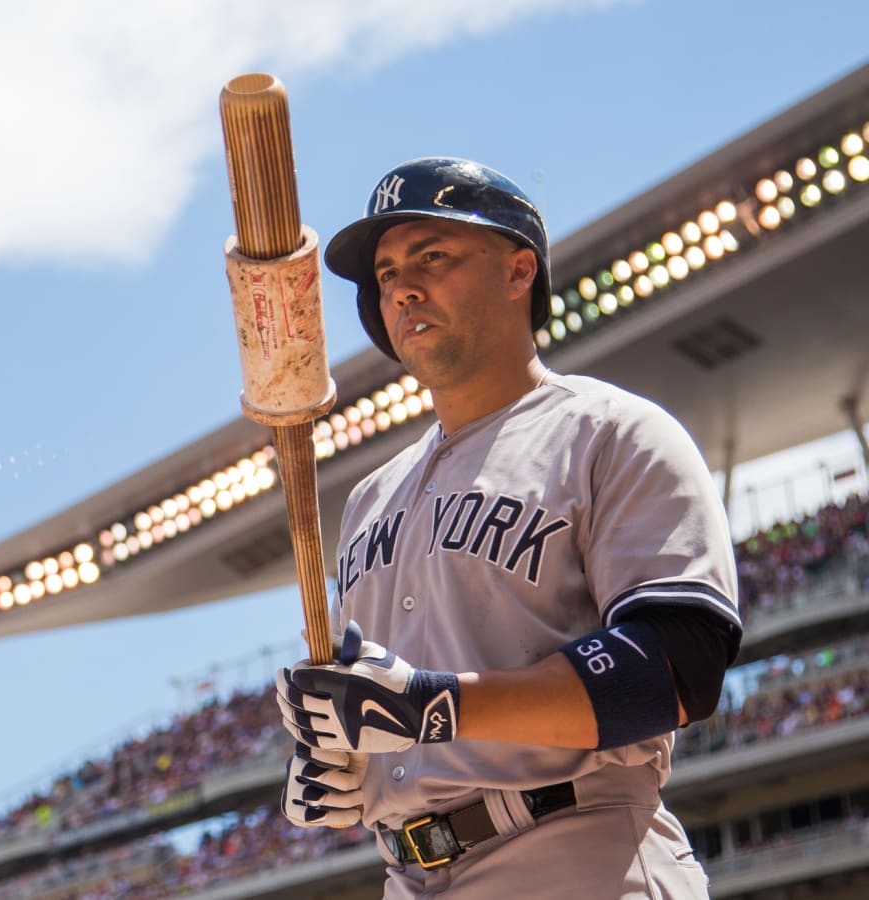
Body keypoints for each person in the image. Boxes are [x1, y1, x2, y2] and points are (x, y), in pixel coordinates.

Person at [276, 158, 743, 898]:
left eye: (432, 256)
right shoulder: (370, 498)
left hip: (579, 855)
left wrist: (434, 706)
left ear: (519, 269)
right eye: (388, 272)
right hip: (408, 874)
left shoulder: (611, 432)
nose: (402, 288)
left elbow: (679, 666)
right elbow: (389, 711)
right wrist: (339, 767)